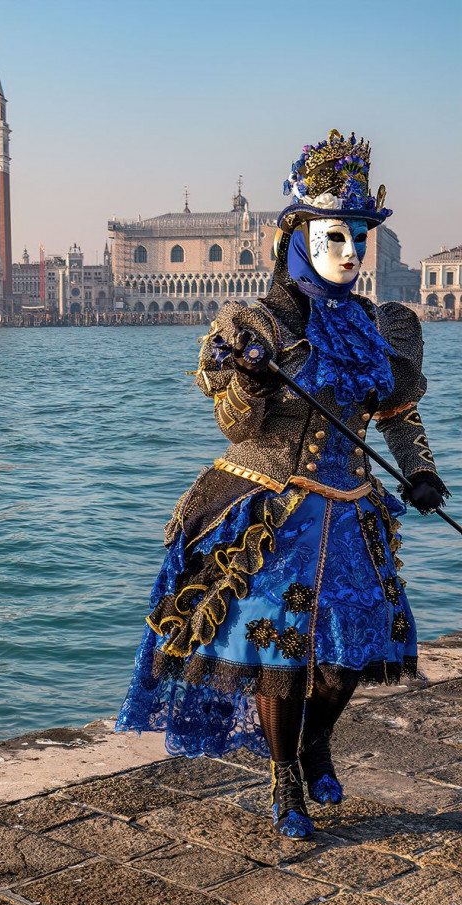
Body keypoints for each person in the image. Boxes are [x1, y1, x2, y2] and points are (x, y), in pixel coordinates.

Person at [116, 130, 448, 839]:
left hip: (354, 512)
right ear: (298, 237)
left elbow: (397, 412)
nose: (352, 252)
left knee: (350, 652)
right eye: (337, 237)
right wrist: (249, 378)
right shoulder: (257, 323)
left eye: (360, 237)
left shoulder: (376, 325)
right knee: (281, 655)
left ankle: (316, 739)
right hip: (275, 512)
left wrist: (419, 470)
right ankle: (284, 776)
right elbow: (236, 426)